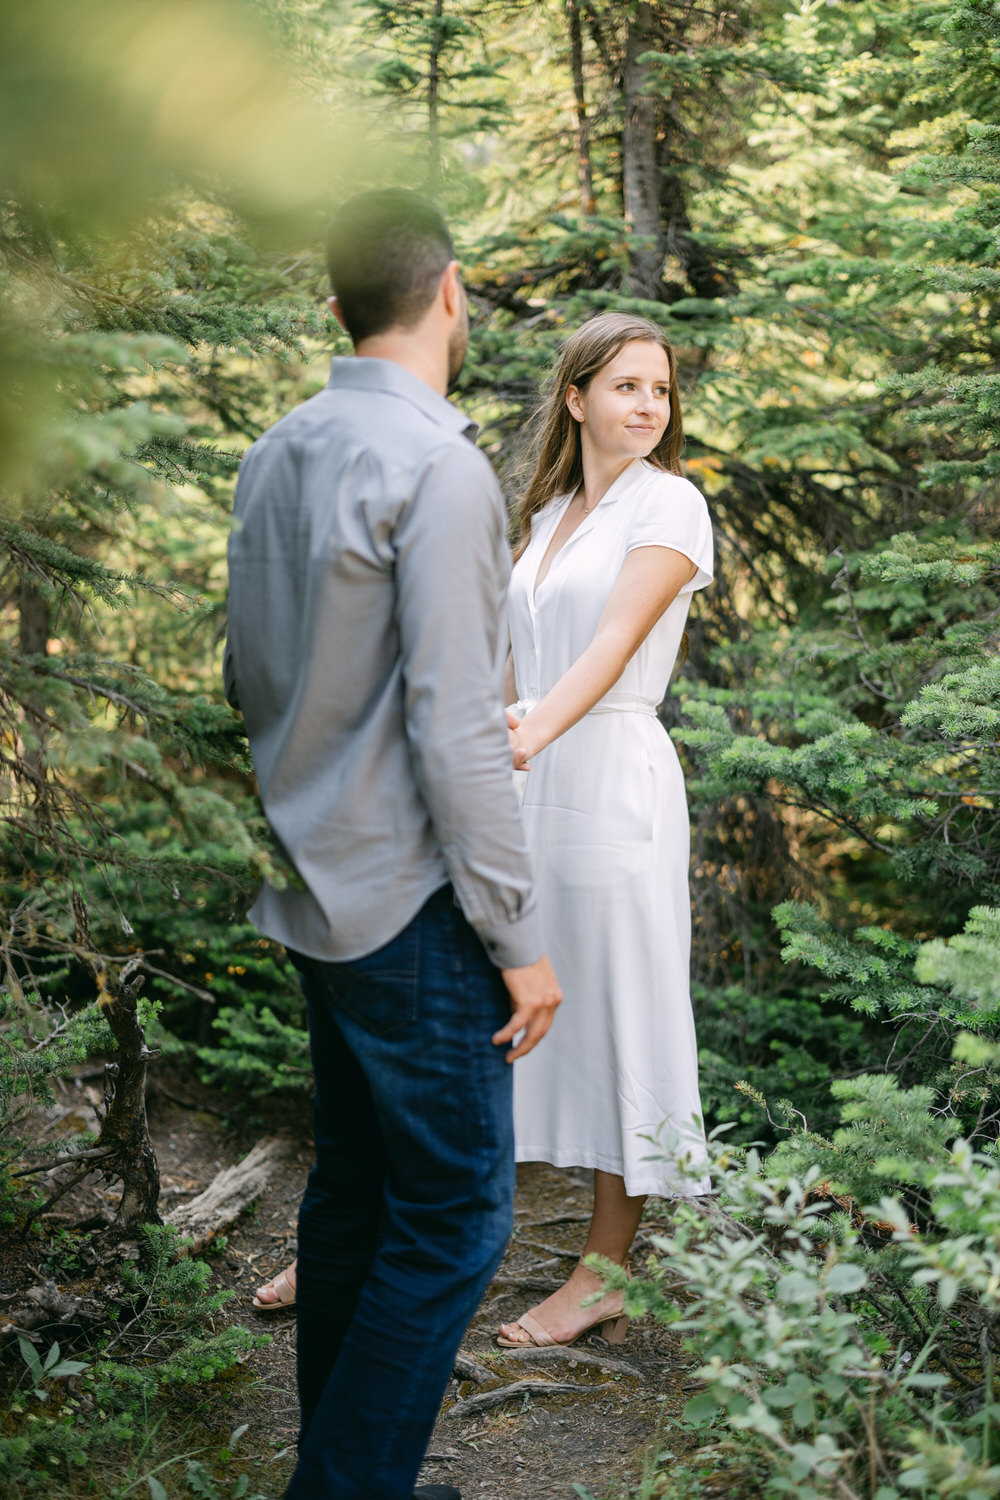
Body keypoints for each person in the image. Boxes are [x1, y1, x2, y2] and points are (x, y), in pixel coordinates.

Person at [224, 188, 561, 1500]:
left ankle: (349, 1469)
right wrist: (519, 940)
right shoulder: (438, 466)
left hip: (311, 880)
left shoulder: (279, 448)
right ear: (454, 292)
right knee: (462, 1218)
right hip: (413, 903)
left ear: (336, 310)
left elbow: (250, 674)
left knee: (358, 1193)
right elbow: (461, 732)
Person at [496, 311, 713, 1350]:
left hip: (611, 781)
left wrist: (528, 730)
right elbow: (514, 659)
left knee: (621, 1015)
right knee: (480, 1001)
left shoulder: (671, 504)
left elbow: (616, 638)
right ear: (575, 397)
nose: (646, 407)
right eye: (625, 386)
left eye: (659, 391)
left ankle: (603, 1275)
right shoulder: (544, 517)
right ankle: (385, 1229)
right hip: (523, 781)